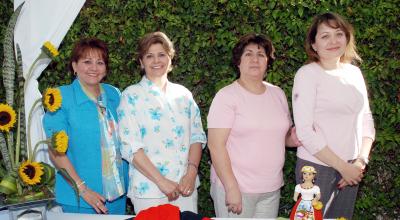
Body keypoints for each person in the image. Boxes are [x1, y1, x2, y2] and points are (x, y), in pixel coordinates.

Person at [207, 33, 301, 218]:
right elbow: (215, 145)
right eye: (248, 54)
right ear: (238, 62)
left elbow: (281, 138)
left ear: (268, 61)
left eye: (261, 54)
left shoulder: (278, 94)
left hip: (271, 189)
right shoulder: (227, 96)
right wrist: (231, 187)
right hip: (237, 189)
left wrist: (296, 137)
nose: (255, 59)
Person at [292, 12, 375, 219]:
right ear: (313, 44)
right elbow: (305, 132)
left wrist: (359, 162)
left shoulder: (354, 73)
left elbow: (366, 118)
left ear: (347, 37)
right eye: (325, 36)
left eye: (338, 34)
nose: (333, 41)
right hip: (316, 169)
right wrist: (343, 167)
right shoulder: (307, 75)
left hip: (352, 168)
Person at [117, 31, 207, 214]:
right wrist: (162, 182)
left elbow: (197, 137)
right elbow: (130, 147)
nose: (156, 61)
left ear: (170, 58)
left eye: (161, 55)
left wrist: (191, 174)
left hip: (185, 188)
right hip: (149, 191)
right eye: (149, 56)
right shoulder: (131, 96)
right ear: (141, 62)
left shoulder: (184, 95)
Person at [43, 38, 128, 214]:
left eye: (100, 62)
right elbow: (55, 152)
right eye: (87, 61)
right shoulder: (60, 97)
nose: (94, 68)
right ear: (74, 66)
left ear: (106, 68)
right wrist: (83, 190)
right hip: (80, 199)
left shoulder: (114, 94)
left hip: (118, 196)